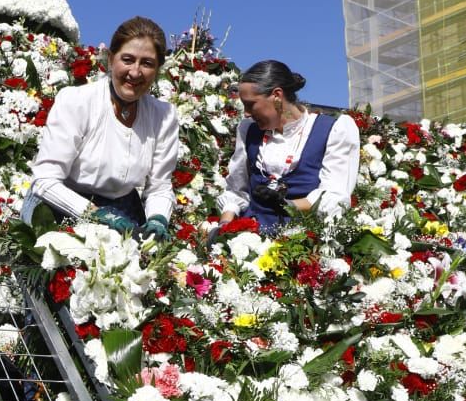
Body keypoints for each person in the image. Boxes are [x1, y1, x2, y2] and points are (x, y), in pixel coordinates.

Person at [24, 17, 179, 241]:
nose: (135, 72)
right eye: (127, 60)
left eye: (147, 63)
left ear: (158, 70)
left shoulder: (163, 116)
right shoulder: (77, 101)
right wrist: (92, 213)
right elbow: (45, 181)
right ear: (110, 59)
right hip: (59, 209)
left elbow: (159, 186)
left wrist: (157, 217)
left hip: (123, 213)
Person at [217, 59, 360, 234]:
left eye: (250, 104)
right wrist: (223, 226)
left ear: (277, 95)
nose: (246, 113)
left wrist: (287, 205)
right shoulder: (248, 130)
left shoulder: (333, 130)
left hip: (302, 247)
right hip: (249, 242)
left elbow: (334, 197)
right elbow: (237, 190)